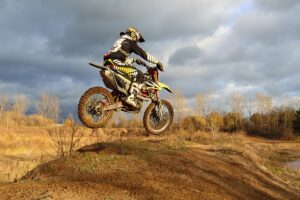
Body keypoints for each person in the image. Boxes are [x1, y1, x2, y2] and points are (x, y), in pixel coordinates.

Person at [103, 27, 164, 107]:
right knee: (139, 75)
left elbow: (121, 55)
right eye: (137, 40)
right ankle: (131, 98)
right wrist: (157, 62)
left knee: (127, 80)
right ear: (134, 35)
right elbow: (143, 54)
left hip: (110, 61)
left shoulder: (122, 40)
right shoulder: (130, 42)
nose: (137, 42)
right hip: (115, 62)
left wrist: (135, 60)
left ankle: (104, 102)